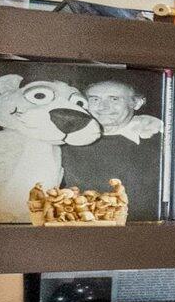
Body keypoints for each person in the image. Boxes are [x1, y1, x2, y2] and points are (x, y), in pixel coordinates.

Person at [59, 77, 165, 213]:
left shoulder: (158, 140)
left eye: (114, 99)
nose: (103, 107)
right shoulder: (65, 141)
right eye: (95, 99)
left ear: (136, 103)